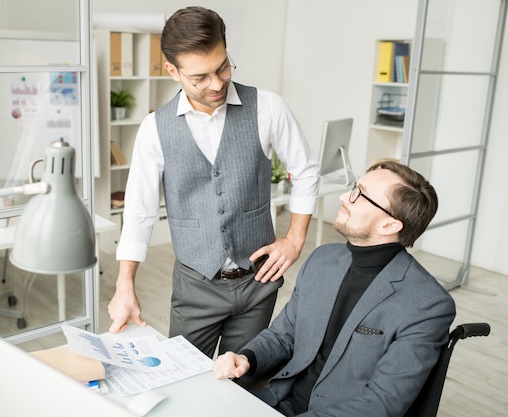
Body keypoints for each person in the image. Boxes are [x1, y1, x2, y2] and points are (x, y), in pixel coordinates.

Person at [108, 6, 320, 358]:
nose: (217, 83)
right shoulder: (154, 129)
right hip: (195, 287)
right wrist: (124, 284)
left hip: (258, 283)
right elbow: (139, 213)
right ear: (172, 71)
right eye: (200, 77)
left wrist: (295, 240)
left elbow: (306, 171)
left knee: (244, 382)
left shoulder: (268, 107)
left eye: (223, 67)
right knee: (185, 381)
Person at [213, 160, 456, 417]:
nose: (344, 197)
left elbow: (382, 404)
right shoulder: (323, 259)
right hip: (277, 401)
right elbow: (284, 335)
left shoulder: (427, 304)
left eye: (359, 195)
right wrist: (247, 358)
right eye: (354, 187)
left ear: (389, 226)